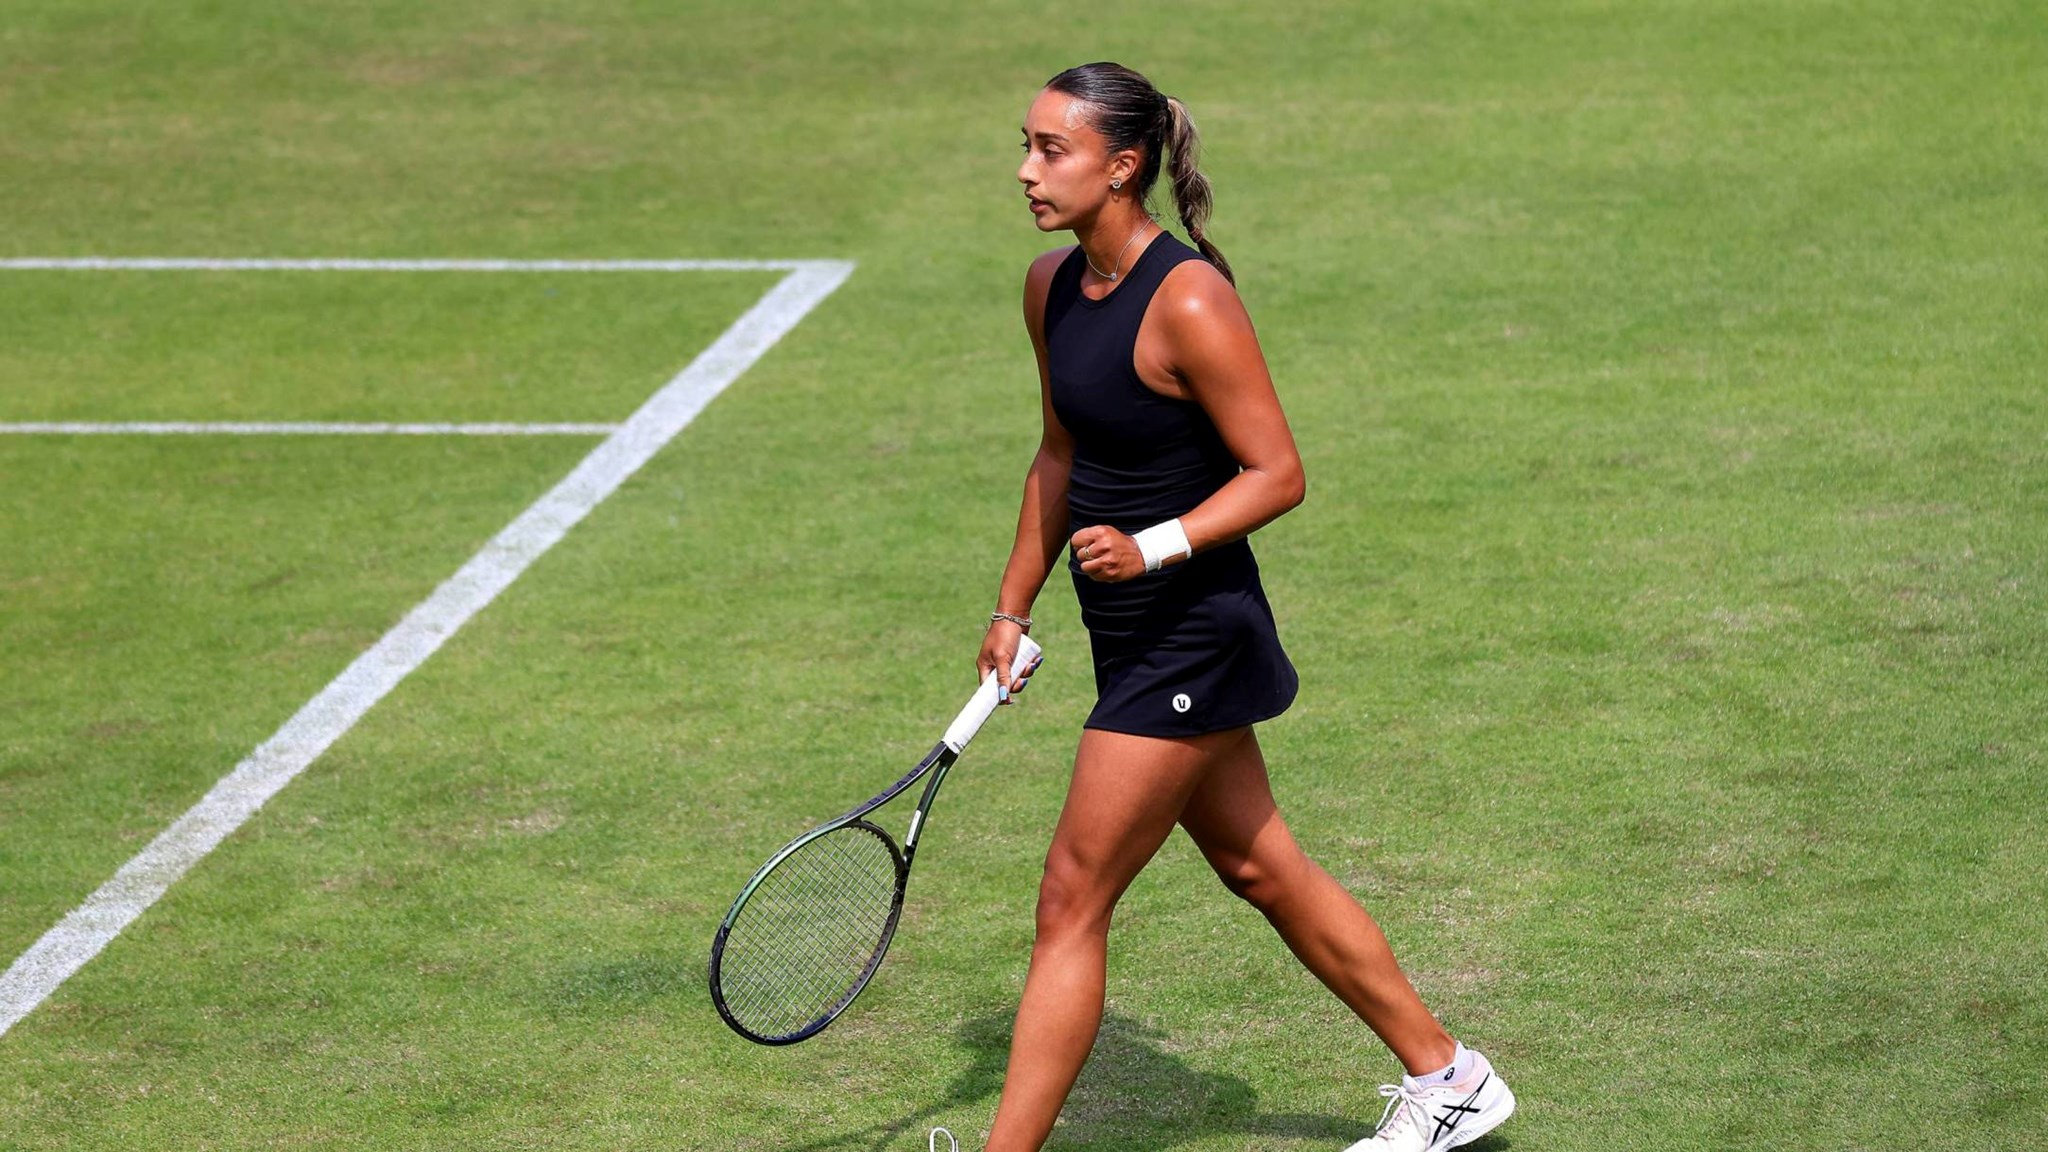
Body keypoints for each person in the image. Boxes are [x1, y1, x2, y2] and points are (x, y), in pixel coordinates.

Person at [964, 63, 1517, 1152]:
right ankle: (1448, 1076)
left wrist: (1154, 545)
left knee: (1069, 899)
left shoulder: (1189, 300)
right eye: (1024, 146)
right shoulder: (1047, 287)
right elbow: (1059, 450)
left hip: (1192, 632)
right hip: (1126, 633)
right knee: (1259, 865)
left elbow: (1276, 472)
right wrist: (1012, 605)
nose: (1026, 171)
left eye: (1050, 150)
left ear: (1122, 167)